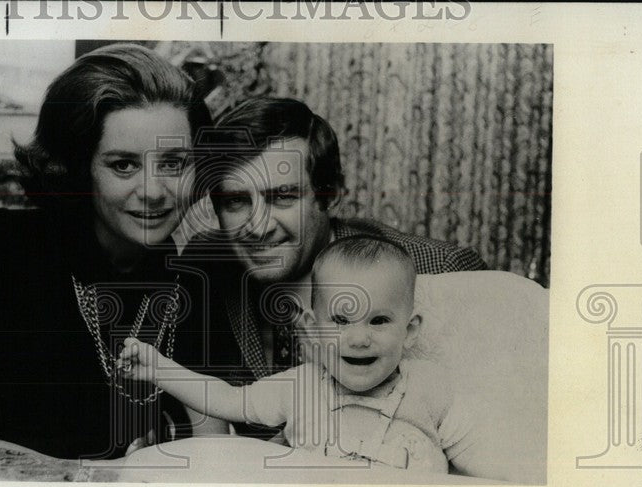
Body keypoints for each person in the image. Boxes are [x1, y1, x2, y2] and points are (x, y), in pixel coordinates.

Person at [0, 44, 212, 459]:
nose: (153, 192)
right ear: (77, 166)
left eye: (174, 163)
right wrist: (27, 465)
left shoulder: (189, 279)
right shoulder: (5, 246)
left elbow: (206, 437)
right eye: (123, 165)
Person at [175, 97, 487, 440]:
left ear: (331, 193)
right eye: (236, 201)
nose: (258, 226)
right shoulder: (205, 265)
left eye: (282, 197)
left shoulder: (439, 270)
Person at [120, 235, 456, 473]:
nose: (359, 339)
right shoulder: (300, 387)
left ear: (410, 331)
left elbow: (488, 458)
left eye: (379, 321)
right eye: (340, 321)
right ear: (313, 327)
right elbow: (226, 399)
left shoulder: (432, 387)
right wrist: (159, 369)